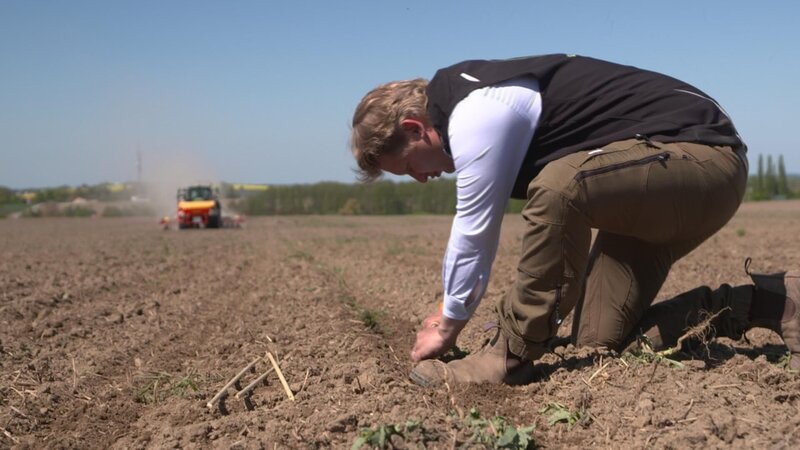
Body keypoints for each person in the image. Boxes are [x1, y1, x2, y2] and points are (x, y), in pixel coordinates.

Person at [349, 54, 799, 386]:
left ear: (414, 128)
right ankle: (773, 303)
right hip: (649, 188)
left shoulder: (477, 111)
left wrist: (449, 323)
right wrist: (447, 311)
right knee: (598, 341)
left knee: (561, 185)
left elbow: (474, 228)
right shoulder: (465, 109)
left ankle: (511, 353)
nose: (422, 179)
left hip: (703, 161)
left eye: (409, 167)